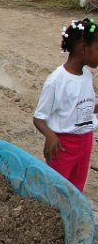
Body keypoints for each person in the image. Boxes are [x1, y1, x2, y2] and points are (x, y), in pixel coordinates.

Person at [33, 18, 98, 192]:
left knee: (76, 188)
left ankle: (71, 216)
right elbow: (39, 118)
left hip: (86, 141)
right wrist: (50, 136)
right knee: (57, 188)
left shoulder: (86, 75)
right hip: (63, 145)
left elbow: (83, 107)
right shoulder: (56, 81)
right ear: (84, 48)